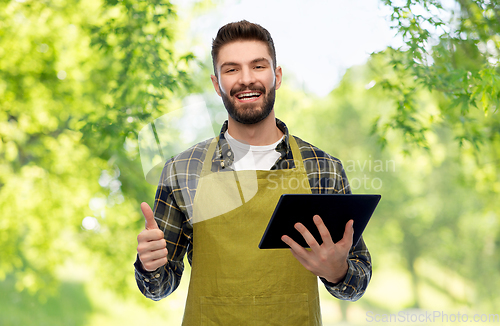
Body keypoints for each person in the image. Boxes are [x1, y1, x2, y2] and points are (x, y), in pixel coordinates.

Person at [135, 20, 371, 325]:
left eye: (258, 66)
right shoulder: (182, 169)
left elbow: (358, 280)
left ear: (277, 76)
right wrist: (149, 266)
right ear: (217, 83)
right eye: (231, 69)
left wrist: (338, 272)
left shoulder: (322, 168)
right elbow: (159, 288)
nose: (246, 79)